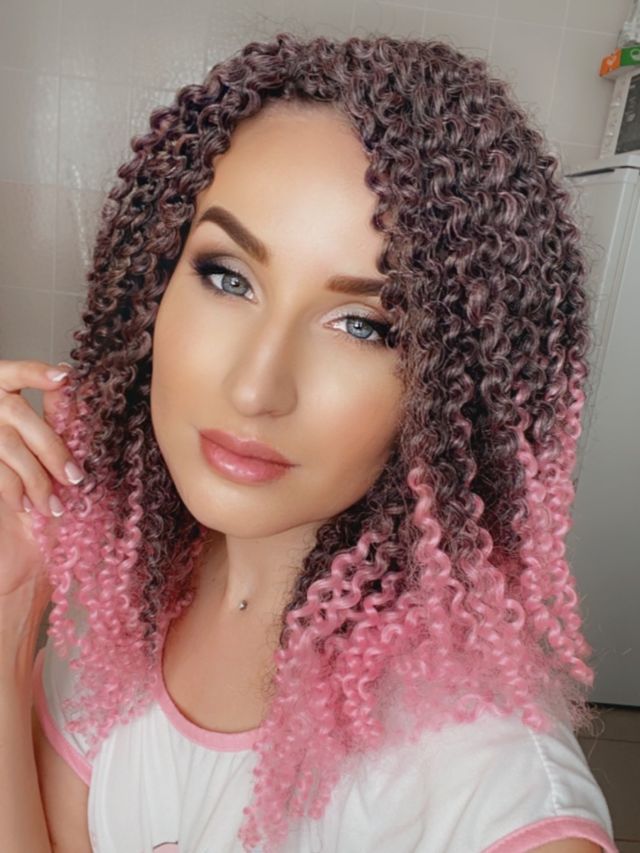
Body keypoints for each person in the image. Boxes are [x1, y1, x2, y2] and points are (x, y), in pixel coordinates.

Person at [0, 31, 618, 853]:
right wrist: (10, 614)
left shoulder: (491, 786)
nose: (256, 387)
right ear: (151, 285)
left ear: (453, 394)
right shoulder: (119, 607)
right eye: (227, 276)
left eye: (363, 325)